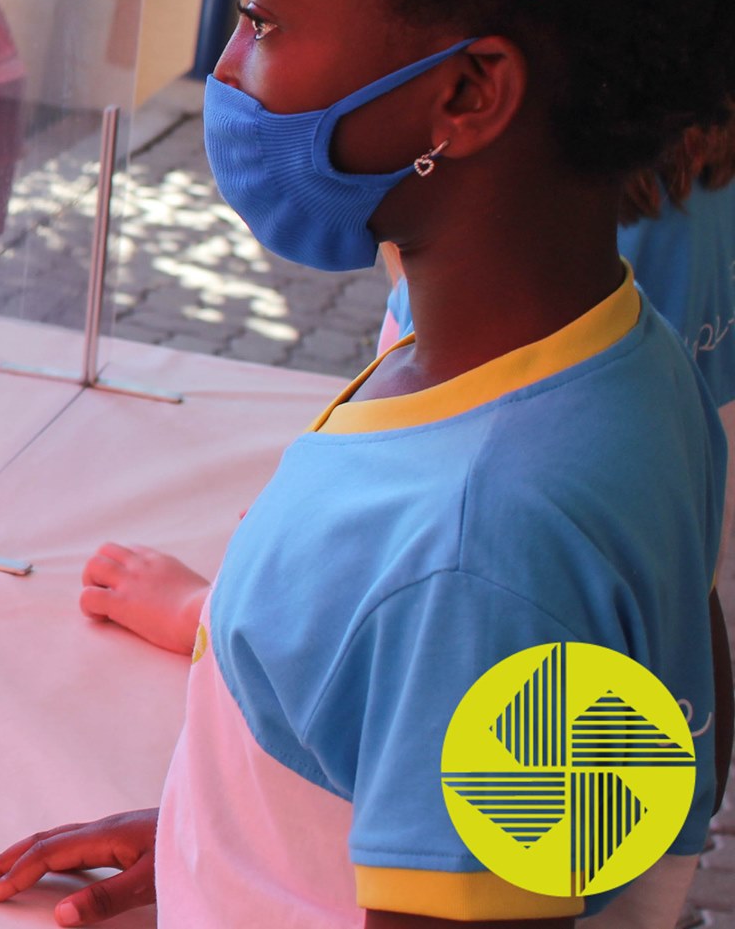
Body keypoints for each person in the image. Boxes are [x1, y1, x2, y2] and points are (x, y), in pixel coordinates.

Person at [0, 0, 735, 925]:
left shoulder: (480, 544)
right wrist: (256, 824)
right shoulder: (620, 364)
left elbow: (491, 652)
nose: (221, 72)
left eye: (262, 18)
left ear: (466, 93)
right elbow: (637, 780)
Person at [87, 134, 735, 660]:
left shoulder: (489, 284)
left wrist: (209, 616)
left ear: (477, 93)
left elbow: (399, 602)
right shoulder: (652, 361)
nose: (235, 74)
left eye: (266, 23)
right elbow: (686, 695)